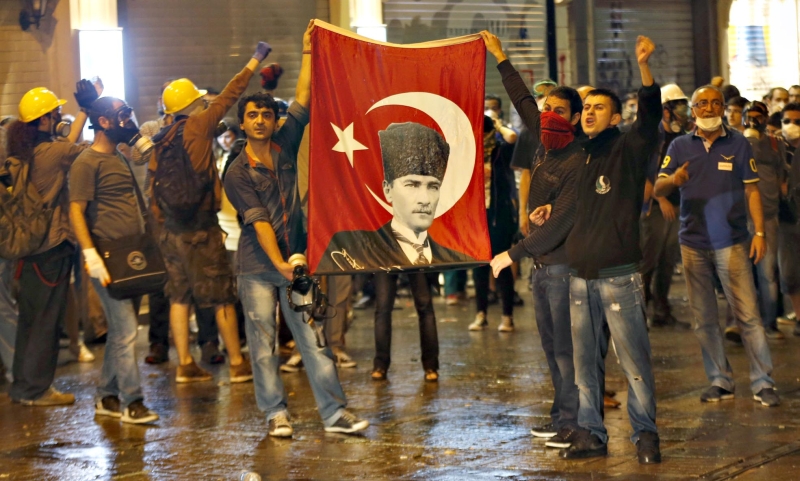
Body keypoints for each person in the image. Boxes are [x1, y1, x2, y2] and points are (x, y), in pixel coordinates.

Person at [224, 21, 369, 436]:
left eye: (266, 115)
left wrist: (308, 50)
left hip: (296, 263)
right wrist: (282, 264)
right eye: (252, 116)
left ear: (275, 121)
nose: (260, 121)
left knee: (313, 339)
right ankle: (276, 414)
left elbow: (303, 97)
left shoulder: (286, 143)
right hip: (259, 266)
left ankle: (334, 414)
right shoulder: (237, 173)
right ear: (242, 124)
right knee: (263, 345)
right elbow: (260, 222)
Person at [535, 36, 662, 464]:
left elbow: (650, 117)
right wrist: (550, 210)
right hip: (578, 276)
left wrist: (644, 68)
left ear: (615, 118)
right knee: (585, 365)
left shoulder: (627, 148)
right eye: (586, 107)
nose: (588, 112)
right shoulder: (579, 156)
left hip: (618, 276)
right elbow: (579, 206)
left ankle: (645, 435)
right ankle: (591, 433)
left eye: (598, 108)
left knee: (634, 361)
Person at [482, 30, 584, 449]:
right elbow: (523, 98)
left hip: (564, 266)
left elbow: (562, 223)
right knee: (552, 348)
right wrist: (500, 56)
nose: (550, 116)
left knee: (567, 351)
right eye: (547, 110)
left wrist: (512, 253)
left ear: (575, 119)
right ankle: (561, 416)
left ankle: (575, 424)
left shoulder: (578, 157)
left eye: (560, 111)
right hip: (543, 267)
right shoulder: (543, 141)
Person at [147, 45, 271, 384]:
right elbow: (232, 92)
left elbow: (153, 189)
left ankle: (185, 364)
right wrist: (255, 60)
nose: (203, 103)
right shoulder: (199, 125)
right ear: (191, 104)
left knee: (179, 296)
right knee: (222, 295)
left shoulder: (161, 139)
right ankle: (237, 363)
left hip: (170, 232)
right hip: (201, 229)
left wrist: (162, 227)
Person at [655, 85, 780, 409]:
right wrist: (674, 181)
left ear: (723, 108)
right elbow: (658, 187)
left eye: (715, 103)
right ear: (693, 109)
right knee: (704, 319)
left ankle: (763, 382)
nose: (709, 108)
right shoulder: (680, 146)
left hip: (732, 242)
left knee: (748, 316)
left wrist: (760, 233)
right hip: (693, 243)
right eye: (702, 103)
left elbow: (752, 190)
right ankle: (720, 380)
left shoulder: (738, 143)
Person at [7, 80, 99, 406]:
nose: (60, 118)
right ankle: (38, 390)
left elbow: (66, 143)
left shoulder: (23, 151)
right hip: (52, 248)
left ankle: (23, 387)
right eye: (55, 114)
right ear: (44, 120)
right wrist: (94, 110)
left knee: (30, 321)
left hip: (29, 250)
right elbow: (90, 149)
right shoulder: (53, 152)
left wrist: (82, 111)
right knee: (47, 322)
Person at [68, 97, 159, 424]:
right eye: (121, 115)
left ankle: (106, 396)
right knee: (127, 330)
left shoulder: (119, 155)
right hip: (105, 258)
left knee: (122, 332)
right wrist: (90, 254)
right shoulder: (86, 162)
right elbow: (76, 210)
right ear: (104, 122)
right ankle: (133, 402)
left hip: (129, 256)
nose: (127, 120)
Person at [317, 122, 476, 272]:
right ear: (388, 190)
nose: (425, 199)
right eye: (412, 185)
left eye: (433, 186)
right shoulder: (349, 247)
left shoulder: (456, 259)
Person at [640, 84, 692, 329]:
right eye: (677, 107)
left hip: (678, 206)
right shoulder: (652, 136)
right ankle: (639, 311)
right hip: (655, 208)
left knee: (668, 261)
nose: (683, 113)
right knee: (648, 260)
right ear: (665, 110)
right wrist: (660, 199)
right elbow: (642, 173)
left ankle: (662, 310)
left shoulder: (683, 137)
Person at [739, 101, 787, 340]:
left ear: (766, 118)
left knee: (767, 273)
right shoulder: (736, 142)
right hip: (739, 217)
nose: (754, 121)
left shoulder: (775, 144)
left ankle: (769, 323)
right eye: (750, 116)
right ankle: (744, 324)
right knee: (740, 273)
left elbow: (781, 178)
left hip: (767, 216)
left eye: (758, 117)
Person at [467, 115, 517, 332]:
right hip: (477, 218)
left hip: (499, 216)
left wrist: (498, 125)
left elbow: (512, 137)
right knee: (478, 267)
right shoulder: (469, 153)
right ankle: (481, 314)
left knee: (501, 266)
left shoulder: (500, 151)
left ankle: (507, 316)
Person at [778, 103, 800, 335]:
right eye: (787, 121)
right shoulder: (775, 149)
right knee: (790, 273)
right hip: (785, 219)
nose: (791, 126)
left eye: (797, 121)